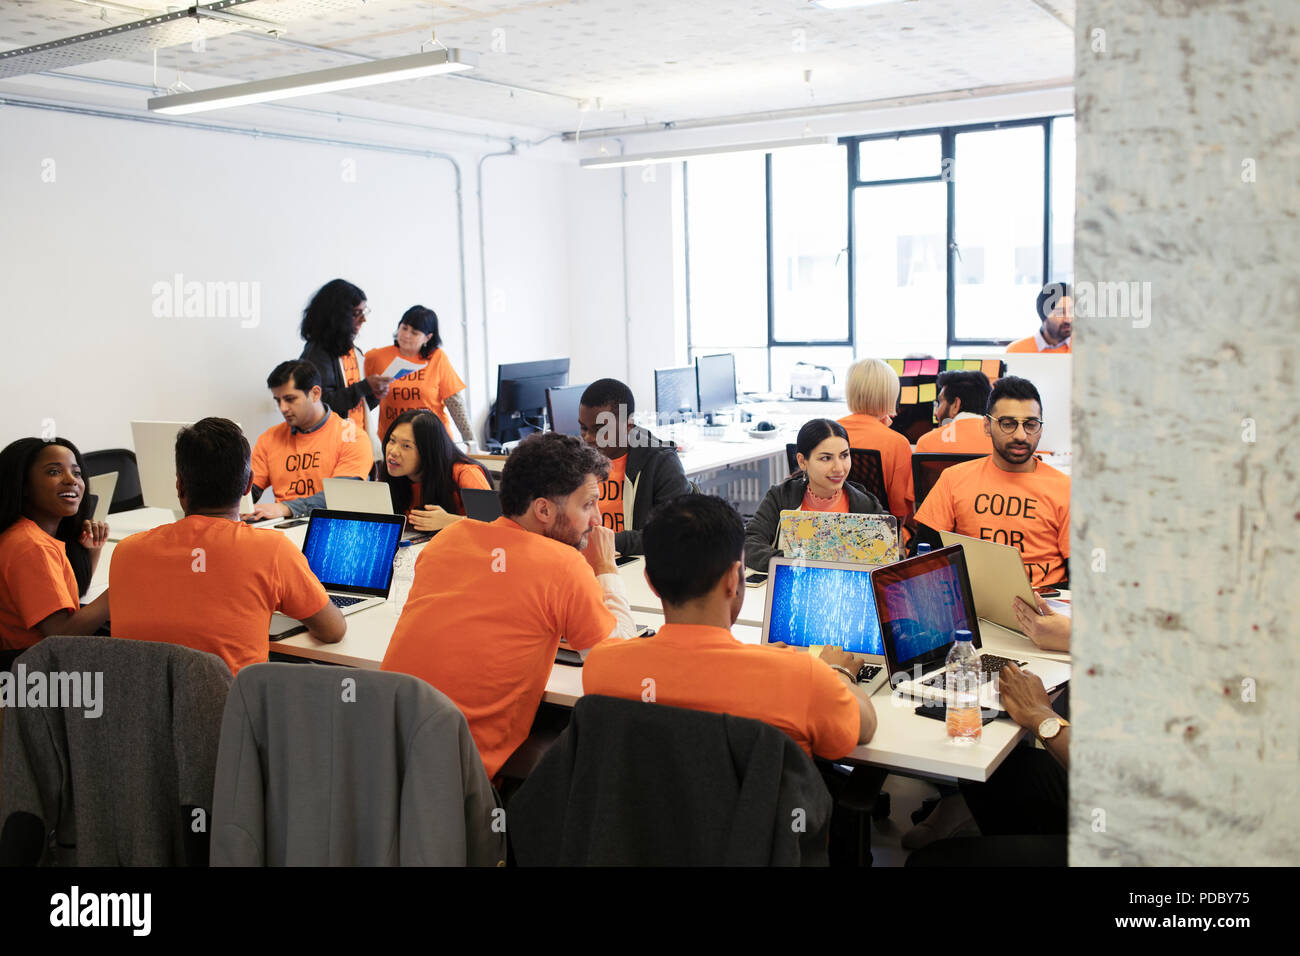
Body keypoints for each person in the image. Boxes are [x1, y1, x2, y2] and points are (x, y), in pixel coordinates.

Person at [380, 432, 637, 780]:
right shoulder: (563, 564)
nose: (596, 520)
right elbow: (619, 673)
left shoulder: (448, 539)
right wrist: (606, 569)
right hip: (460, 783)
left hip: (381, 762)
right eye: (588, 504)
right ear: (543, 509)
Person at [585, 493, 875, 760]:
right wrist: (839, 673)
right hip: (760, 818)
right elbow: (865, 727)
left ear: (650, 581)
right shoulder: (803, 677)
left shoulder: (602, 666)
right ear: (734, 578)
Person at [110, 418, 344, 674]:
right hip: (228, 711)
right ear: (248, 485)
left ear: (179, 485)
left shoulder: (126, 552)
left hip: (139, 711)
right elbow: (333, 630)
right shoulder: (272, 551)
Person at [913, 375, 1070, 587]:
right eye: (1008, 424)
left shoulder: (1065, 489)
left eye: (1031, 424)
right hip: (974, 604)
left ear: (1040, 428)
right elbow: (922, 556)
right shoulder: (954, 479)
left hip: (1046, 603)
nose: (1021, 435)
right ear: (986, 426)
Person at [0, 437, 110, 650]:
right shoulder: (32, 546)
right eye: (54, 472)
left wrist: (93, 552)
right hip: (38, 669)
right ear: (24, 486)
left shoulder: (24, 535)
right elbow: (61, 634)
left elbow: (64, 600)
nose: (72, 480)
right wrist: (121, 590)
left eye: (76, 473)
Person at [576, 378, 691, 556]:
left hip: (631, 559)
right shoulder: (575, 460)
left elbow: (674, 534)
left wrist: (605, 541)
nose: (589, 438)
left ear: (628, 426)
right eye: (583, 428)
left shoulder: (660, 461)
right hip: (582, 558)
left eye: (600, 429)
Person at [245, 360, 374, 520]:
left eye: (290, 399)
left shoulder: (352, 436)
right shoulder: (269, 438)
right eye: (278, 400)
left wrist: (286, 508)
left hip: (329, 525)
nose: (283, 408)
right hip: (280, 526)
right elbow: (249, 491)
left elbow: (340, 497)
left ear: (315, 393)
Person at [364, 305, 475, 449]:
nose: (406, 335)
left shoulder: (437, 358)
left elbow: (455, 403)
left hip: (432, 441)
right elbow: (361, 400)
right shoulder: (376, 357)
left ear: (427, 337)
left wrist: (472, 443)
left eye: (414, 332)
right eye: (404, 328)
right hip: (394, 443)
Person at [299, 278, 391, 439]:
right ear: (336, 317)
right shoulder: (317, 354)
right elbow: (321, 405)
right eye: (357, 313)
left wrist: (374, 395)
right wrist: (364, 387)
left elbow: (358, 407)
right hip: (332, 447)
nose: (364, 319)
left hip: (357, 443)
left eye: (364, 312)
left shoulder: (354, 351)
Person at [378, 409, 492, 534]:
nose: (393, 451)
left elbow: (494, 524)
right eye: (392, 440)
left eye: (406, 446)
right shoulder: (392, 477)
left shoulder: (465, 473)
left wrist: (450, 521)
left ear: (428, 451)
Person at [837, 358, 915, 533]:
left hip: (829, 531)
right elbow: (899, 512)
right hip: (879, 538)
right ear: (891, 395)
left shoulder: (827, 432)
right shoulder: (896, 443)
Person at [914, 369, 994, 456]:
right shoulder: (1000, 441)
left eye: (940, 401)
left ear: (956, 405)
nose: (935, 413)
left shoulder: (926, 443)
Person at [1006, 281, 1072, 354]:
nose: (1068, 319)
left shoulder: (1083, 350)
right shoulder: (1016, 351)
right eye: (1060, 312)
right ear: (1043, 315)